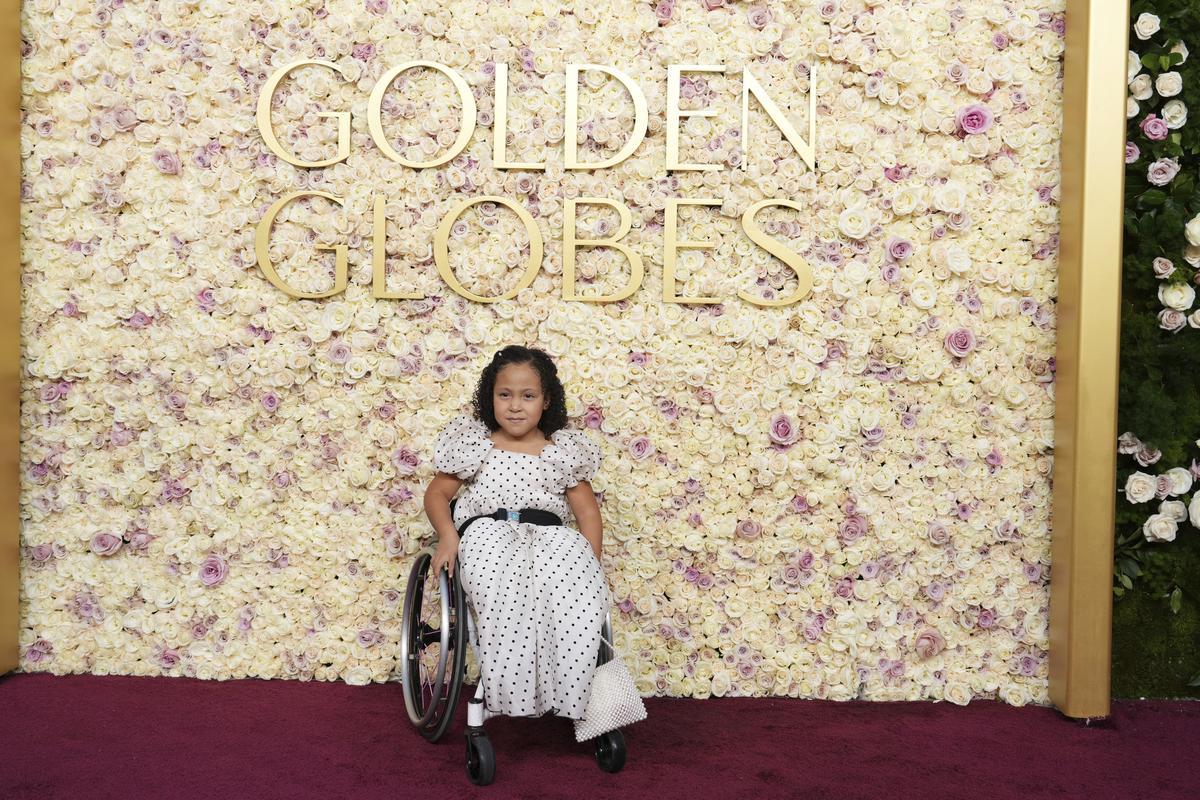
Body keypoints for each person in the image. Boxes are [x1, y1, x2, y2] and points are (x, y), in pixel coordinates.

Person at [423, 344, 613, 721]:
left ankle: (572, 698)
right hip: (489, 532)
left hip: (551, 537)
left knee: (577, 594)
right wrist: (448, 536)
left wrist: (589, 563)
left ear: (545, 402)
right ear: (490, 397)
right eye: (504, 395)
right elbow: (437, 494)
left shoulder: (561, 451)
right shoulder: (476, 445)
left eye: (528, 396)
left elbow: (587, 512)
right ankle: (511, 695)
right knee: (504, 592)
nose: (514, 406)